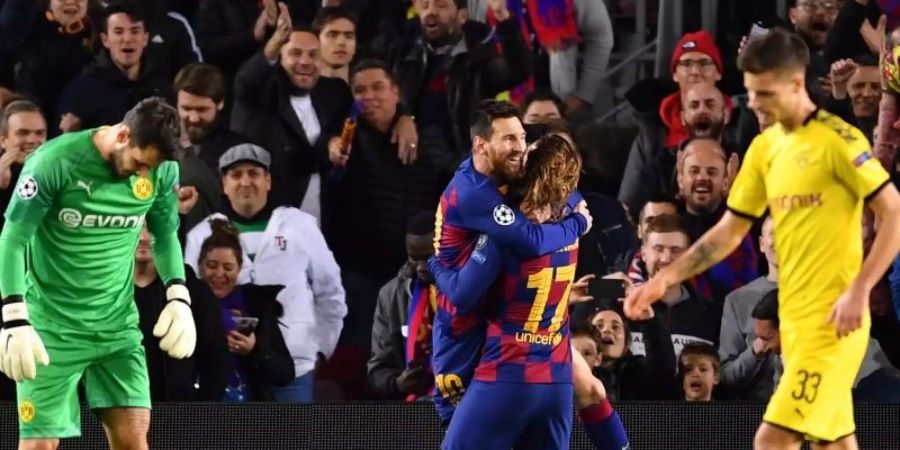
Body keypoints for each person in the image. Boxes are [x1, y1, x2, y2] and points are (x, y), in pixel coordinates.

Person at [625, 28, 900, 450]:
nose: (752, 103)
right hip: (793, 318)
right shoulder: (763, 149)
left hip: (833, 321)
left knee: (773, 439)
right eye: (750, 92)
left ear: (793, 84)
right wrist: (664, 279)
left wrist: (860, 289)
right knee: (834, 440)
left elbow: (894, 213)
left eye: (762, 92)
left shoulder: (839, 141)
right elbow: (728, 233)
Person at [0, 97, 196, 449]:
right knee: (39, 445)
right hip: (52, 329)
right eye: (139, 163)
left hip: (116, 327)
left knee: (134, 438)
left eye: (150, 168)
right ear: (122, 136)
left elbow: (166, 235)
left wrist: (178, 294)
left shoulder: (161, 169)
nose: (143, 175)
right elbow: (13, 239)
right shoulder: (54, 162)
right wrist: (15, 317)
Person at [431, 134, 627, 450]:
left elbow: (463, 295)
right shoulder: (575, 219)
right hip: (555, 383)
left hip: (507, 375)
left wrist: (435, 266)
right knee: (592, 390)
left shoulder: (507, 232)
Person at [196, 219, 295, 401]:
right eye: (212, 265)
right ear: (200, 267)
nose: (219, 274)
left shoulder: (256, 305)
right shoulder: (183, 304)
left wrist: (254, 350)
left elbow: (285, 374)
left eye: (228, 267)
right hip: (198, 408)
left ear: (239, 269)